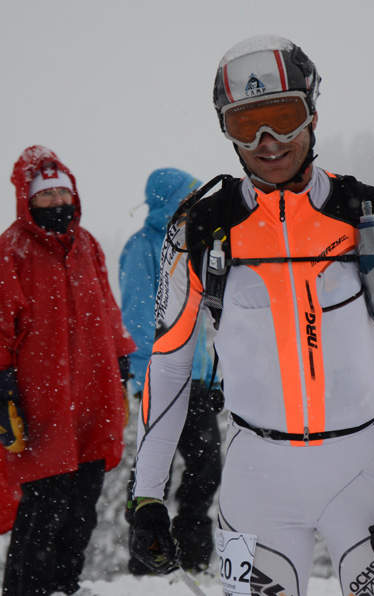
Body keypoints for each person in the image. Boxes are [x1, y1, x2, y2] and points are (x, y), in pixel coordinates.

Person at [128, 35, 374, 596]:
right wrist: (148, 494)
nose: (267, 141)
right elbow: (170, 364)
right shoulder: (197, 230)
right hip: (255, 481)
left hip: (367, 470)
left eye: (283, 117)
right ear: (226, 130)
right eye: (245, 124)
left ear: (313, 113)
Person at [0, 145, 136, 596]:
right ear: (28, 199)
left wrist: (121, 370)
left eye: (62, 192)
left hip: (92, 399)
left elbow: (107, 311)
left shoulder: (87, 246)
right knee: (44, 511)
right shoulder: (12, 251)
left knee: (82, 509)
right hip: (42, 409)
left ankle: (64, 588)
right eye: (46, 194)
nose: (57, 201)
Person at [119, 168, 223, 574]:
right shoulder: (142, 247)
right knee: (153, 470)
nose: (195, 203)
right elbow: (138, 317)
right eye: (187, 196)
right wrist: (148, 374)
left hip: (197, 378)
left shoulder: (195, 242)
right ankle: (148, 560)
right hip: (161, 376)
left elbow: (211, 318)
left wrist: (215, 376)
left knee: (206, 468)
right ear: (169, 201)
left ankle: (193, 560)